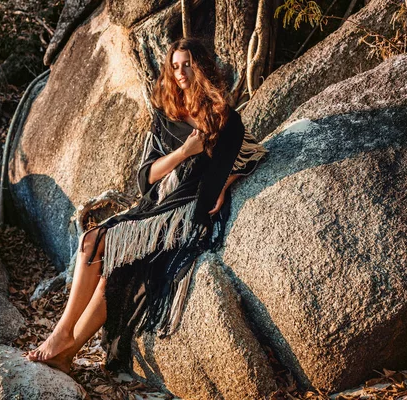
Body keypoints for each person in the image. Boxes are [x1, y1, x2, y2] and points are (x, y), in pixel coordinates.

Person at [24, 37, 266, 373]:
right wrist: (184, 153)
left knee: (113, 267)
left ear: (201, 67)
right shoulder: (165, 117)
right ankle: (64, 340)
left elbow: (254, 153)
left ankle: (65, 344)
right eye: (175, 66)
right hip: (152, 209)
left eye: (187, 65)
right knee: (95, 245)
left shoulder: (224, 120)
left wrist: (227, 182)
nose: (180, 72)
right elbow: (145, 177)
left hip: (184, 215)